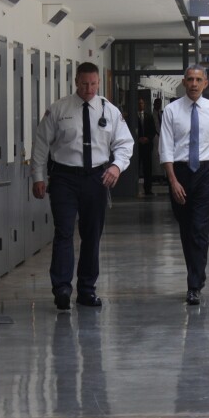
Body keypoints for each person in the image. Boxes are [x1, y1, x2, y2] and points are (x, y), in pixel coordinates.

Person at [31, 62, 134, 310]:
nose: (89, 88)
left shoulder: (109, 110)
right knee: (64, 232)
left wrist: (116, 166)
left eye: (93, 84)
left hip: (97, 179)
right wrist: (38, 176)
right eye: (84, 83)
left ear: (99, 83)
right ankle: (62, 289)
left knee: (91, 236)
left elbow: (125, 144)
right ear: (76, 82)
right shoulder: (59, 109)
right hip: (64, 178)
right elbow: (41, 144)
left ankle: (87, 289)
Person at [159, 65, 209, 305]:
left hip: (206, 172)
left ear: (205, 83)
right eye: (190, 79)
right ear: (183, 81)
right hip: (179, 172)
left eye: (198, 80)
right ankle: (197, 272)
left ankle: (193, 285)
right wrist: (173, 181)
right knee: (186, 229)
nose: (194, 84)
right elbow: (166, 148)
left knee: (200, 229)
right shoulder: (171, 110)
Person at [136, 96, 157, 196]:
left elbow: (153, 131)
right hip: (137, 147)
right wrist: (138, 139)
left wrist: (147, 138)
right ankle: (134, 188)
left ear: (144, 105)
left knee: (147, 169)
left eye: (142, 103)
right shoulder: (132, 117)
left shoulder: (149, 116)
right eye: (139, 103)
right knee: (135, 168)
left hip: (147, 146)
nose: (141, 105)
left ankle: (148, 189)